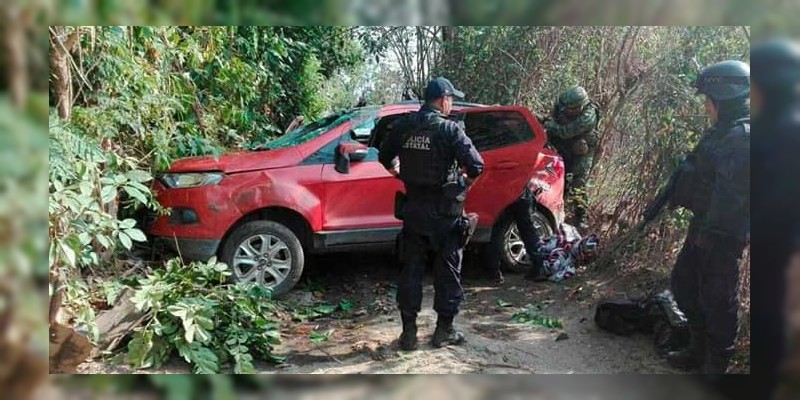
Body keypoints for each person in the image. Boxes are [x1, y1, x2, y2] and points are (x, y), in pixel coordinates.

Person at [379, 77, 484, 350]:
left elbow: (384, 155)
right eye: (451, 99)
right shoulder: (450, 130)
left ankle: (409, 335)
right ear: (443, 99)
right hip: (445, 213)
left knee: (411, 270)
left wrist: (399, 173)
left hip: (413, 209)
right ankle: (443, 332)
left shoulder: (404, 125)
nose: (451, 104)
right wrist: (462, 186)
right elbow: (476, 166)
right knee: (448, 270)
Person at [659, 60, 750, 374]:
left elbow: (733, 197)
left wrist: (712, 234)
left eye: (707, 100)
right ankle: (697, 349)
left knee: (719, 299)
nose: (705, 107)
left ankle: (717, 364)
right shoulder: (721, 133)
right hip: (703, 226)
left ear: (722, 99)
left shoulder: (742, 138)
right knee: (683, 284)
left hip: (723, 235)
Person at [750, 38, 800, 398]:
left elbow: (780, 199)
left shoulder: (787, 130)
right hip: (770, 245)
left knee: (770, 320)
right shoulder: (771, 126)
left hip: (781, 248)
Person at [543, 86, 600, 230]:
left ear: (580, 106)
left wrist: (549, 125)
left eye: (571, 108)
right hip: (563, 146)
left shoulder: (589, 114)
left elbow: (566, 131)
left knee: (578, 182)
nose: (567, 109)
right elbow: (554, 117)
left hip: (581, 150)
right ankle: (555, 212)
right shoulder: (563, 102)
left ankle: (581, 216)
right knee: (556, 177)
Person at [484, 185, 548, 284]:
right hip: (521, 193)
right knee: (528, 231)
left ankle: (494, 273)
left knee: (495, 232)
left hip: (500, 195)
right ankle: (539, 268)